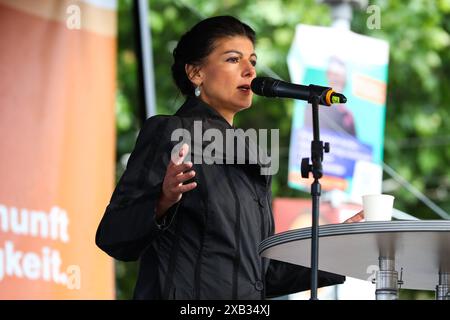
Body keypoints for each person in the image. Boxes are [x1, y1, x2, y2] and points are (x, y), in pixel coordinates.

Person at [96, 16, 362, 300]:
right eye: (234, 60)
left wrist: (337, 244)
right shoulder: (172, 131)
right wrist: (162, 199)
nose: (250, 71)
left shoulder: (254, 155)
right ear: (196, 73)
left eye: (253, 61)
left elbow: (262, 274)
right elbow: (113, 236)